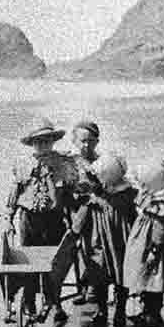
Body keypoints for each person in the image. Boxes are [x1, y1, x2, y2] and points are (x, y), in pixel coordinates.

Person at [2, 118, 78, 324]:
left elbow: (71, 195)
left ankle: (55, 302)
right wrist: (8, 219)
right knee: (29, 262)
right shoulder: (23, 165)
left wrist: (74, 222)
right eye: (38, 142)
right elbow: (14, 193)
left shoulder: (64, 164)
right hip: (29, 219)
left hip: (54, 219)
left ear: (53, 141)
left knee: (54, 262)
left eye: (46, 141)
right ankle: (29, 302)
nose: (43, 146)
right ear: (32, 144)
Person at [72, 153, 138, 327]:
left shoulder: (96, 200)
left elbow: (78, 223)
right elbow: (135, 219)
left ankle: (107, 311)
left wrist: (74, 231)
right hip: (119, 245)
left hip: (102, 245)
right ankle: (117, 311)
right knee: (117, 276)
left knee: (103, 276)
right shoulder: (126, 197)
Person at [122, 154, 164, 327]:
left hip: (154, 246)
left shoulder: (163, 201)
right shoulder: (155, 196)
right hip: (148, 242)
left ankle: (151, 314)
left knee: (152, 276)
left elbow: (161, 229)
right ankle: (148, 311)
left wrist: (154, 250)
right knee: (149, 277)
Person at [68, 120, 102, 306]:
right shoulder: (70, 163)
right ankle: (82, 287)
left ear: (97, 142)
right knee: (78, 249)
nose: (86, 145)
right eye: (82, 141)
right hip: (76, 212)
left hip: (97, 213)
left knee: (96, 247)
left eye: (91, 141)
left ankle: (94, 288)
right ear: (74, 141)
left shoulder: (102, 162)